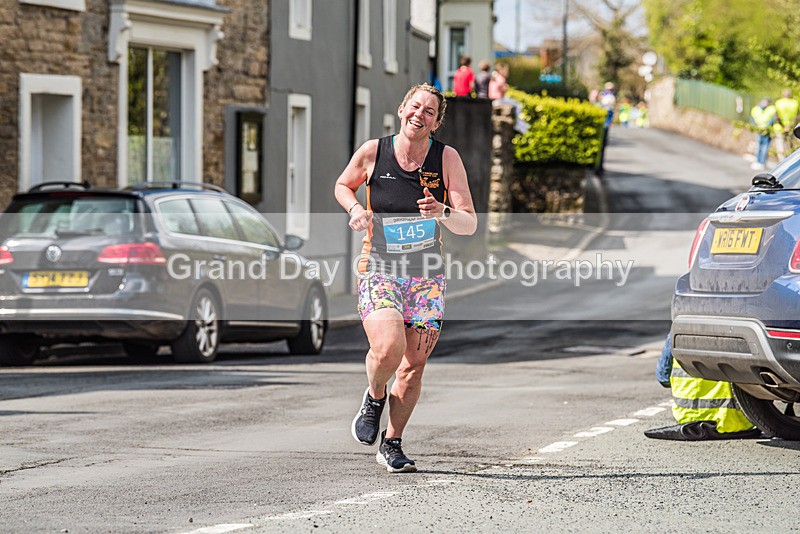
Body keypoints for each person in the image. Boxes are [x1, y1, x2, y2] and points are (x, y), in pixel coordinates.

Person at [334, 83, 478, 472]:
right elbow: (343, 185)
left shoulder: (446, 159)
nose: (420, 114)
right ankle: (374, 395)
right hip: (379, 266)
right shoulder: (373, 152)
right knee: (389, 347)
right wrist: (354, 210)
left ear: (436, 122)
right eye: (415, 107)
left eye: (430, 111)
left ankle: (392, 443)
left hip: (426, 277)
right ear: (402, 110)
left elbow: (468, 224)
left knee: (413, 365)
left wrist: (443, 211)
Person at [645, 335, 761, 441]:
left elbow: (663, 378)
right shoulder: (735, 329)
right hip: (737, 425)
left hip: (688, 421)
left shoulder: (678, 331)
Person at [750, 97, 777, 171]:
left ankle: (760, 162)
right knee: (761, 146)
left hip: (763, 130)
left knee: (762, 146)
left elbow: (752, 120)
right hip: (763, 130)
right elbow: (772, 120)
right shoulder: (770, 109)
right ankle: (760, 162)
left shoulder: (756, 109)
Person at [773, 89, 799, 161]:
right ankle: (790, 161)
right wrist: (790, 126)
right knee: (791, 146)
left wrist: (784, 126)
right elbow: (797, 117)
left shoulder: (778, 102)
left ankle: (782, 162)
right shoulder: (795, 103)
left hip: (779, 128)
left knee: (780, 146)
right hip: (792, 128)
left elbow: (776, 117)